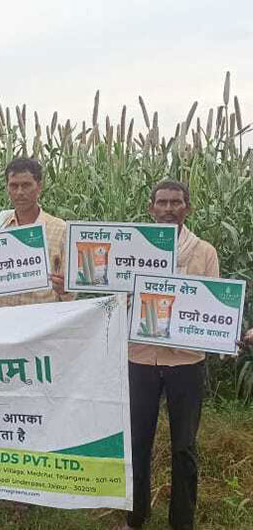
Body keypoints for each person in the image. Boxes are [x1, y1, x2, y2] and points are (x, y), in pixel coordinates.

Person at [0, 157, 75, 518]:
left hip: (38, 334)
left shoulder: (60, 230)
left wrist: (65, 288)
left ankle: (23, 492)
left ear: (40, 185)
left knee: (30, 415)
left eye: (26, 184)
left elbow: (71, 293)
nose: (20, 192)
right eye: (13, 185)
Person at [118, 180, 219, 530]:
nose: (168, 209)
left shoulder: (204, 252)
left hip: (186, 362)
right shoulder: (131, 250)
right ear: (151, 208)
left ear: (187, 208)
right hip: (140, 357)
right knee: (137, 442)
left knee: (184, 447)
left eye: (176, 202)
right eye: (161, 202)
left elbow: (210, 307)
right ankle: (135, 517)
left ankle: (182, 522)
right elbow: (115, 294)